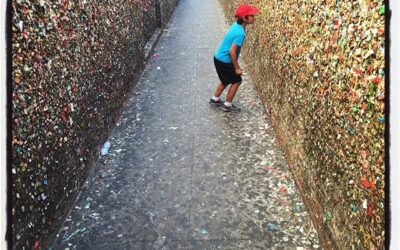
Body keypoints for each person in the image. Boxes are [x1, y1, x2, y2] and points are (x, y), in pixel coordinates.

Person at [209, 4, 259, 112]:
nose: (254, 17)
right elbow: (232, 52)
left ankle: (215, 100)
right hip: (224, 60)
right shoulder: (240, 32)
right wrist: (237, 68)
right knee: (237, 81)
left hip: (218, 57)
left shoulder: (236, 25)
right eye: (251, 15)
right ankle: (227, 105)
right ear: (245, 18)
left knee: (225, 80)